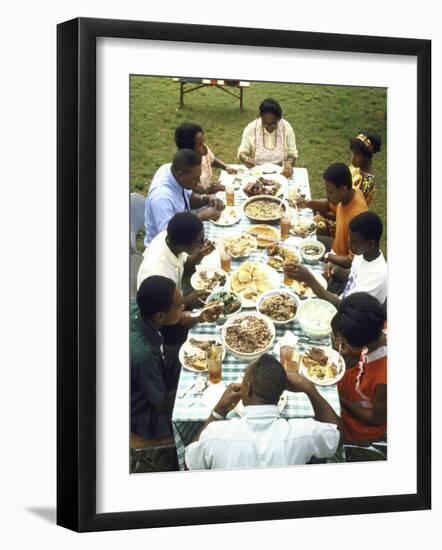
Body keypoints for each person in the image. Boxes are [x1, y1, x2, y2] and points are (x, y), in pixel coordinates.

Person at [185, 354, 342, 470]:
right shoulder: (304, 432)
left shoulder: (215, 434)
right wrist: (310, 389)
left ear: (249, 388)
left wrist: (218, 412)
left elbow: (191, 462)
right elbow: (337, 436)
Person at [284, 211, 387, 307]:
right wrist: (337, 270)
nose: (349, 244)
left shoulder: (377, 276)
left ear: (370, 244)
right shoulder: (364, 253)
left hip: (351, 320)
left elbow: (344, 307)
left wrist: (309, 279)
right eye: (349, 238)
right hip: (342, 300)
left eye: (354, 241)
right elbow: (353, 277)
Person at [131, 276, 184, 440]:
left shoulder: (137, 308)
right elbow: (161, 404)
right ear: (160, 317)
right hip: (144, 411)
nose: (183, 307)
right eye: (179, 306)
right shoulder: (143, 355)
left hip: (151, 375)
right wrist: (192, 390)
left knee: (176, 352)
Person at [331, 293, 387, 443]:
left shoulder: (384, 380)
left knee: (322, 421)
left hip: (361, 420)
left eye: (345, 342)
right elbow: (365, 358)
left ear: (360, 343)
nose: (342, 344)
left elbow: (376, 419)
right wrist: (350, 350)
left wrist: (340, 401)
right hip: (355, 382)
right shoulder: (377, 327)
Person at [144, 149, 225, 245]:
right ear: (180, 174)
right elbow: (170, 238)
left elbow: (188, 198)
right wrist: (199, 217)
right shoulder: (161, 198)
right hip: (164, 251)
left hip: (182, 236)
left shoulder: (172, 171)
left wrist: (206, 199)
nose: (198, 182)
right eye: (194, 178)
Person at [137, 212, 217, 310]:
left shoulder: (170, 238)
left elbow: (185, 265)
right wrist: (186, 302)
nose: (203, 243)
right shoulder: (159, 273)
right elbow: (162, 316)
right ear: (184, 246)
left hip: (175, 297)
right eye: (199, 241)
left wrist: (200, 254)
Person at [296, 162, 368, 260]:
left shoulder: (356, 216)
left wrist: (328, 257)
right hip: (335, 245)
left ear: (343, 189)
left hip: (340, 261)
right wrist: (308, 203)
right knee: (299, 241)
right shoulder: (349, 192)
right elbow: (329, 205)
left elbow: (353, 260)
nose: (327, 195)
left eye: (330, 192)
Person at [237, 98, 298, 176]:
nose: (269, 127)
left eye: (273, 124)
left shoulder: (286, 127)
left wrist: (288, 163)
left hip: (281, 172)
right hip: (257, 172)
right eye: (265, 123)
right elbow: (242, 152)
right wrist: (245, 158)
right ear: (260, 117)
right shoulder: (252, 128)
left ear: (279, 119)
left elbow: (292, 154)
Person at [175, 123, 237, 194]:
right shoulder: (186, 168)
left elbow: (212, 160)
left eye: (203, 142)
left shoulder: (203, 153)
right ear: (189, 150)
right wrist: (206, 191)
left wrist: (226, 167)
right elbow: (191, 191)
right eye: (200, 145)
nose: (205, 147)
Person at [349, 132, 382, 206]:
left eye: (357, 154)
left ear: (367, 157)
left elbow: (355, 206)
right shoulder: (355, 167)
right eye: (352, 153)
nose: (353, 158)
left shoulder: (366, 182)